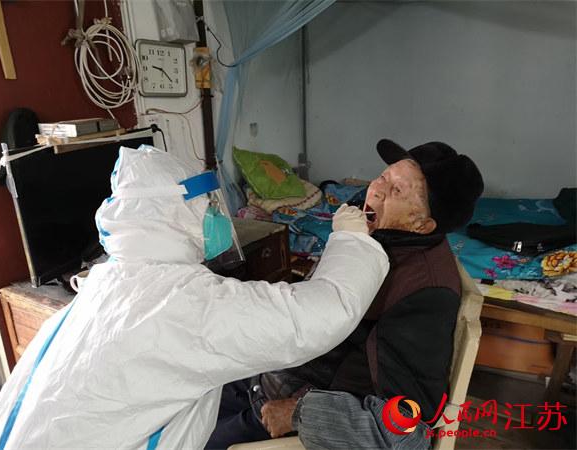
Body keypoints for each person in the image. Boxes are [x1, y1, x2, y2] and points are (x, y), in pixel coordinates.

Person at [0, 146, 390, 450]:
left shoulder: (110, 283)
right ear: (176, 213)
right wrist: (351, 240)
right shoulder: (179, 304)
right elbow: (322, 314)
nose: (215, 215)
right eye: (207, 205)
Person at [207, 139, 484, 450]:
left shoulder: (423, 296)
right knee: (186, 403)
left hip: (292, 408)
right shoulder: (383, 239)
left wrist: (299, 414)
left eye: (396, 191)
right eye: (383, 176)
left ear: (422, 224)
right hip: (271, 375)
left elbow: (406, 429)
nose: (375, 190)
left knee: (193, 438)